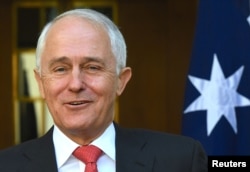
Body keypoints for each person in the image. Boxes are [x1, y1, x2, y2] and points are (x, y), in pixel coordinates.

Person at [0, 9, 207, 172]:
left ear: (121, 81)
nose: (75, 84)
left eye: (92, 67)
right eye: (60, 69)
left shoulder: (181, 160)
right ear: (40, 83)